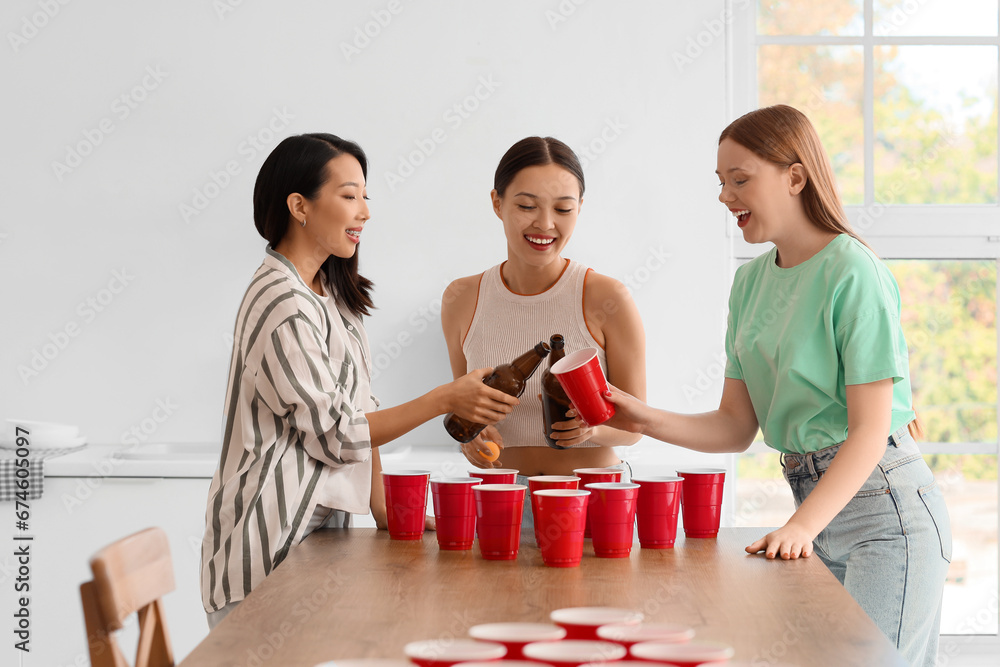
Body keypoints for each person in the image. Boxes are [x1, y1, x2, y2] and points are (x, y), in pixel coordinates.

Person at [602, 105, 951, 667]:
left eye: (740, 179)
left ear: (794, 176)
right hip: (814, 510)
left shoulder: (853, 272)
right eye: (720, 183)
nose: (725, 196)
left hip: (886, 516)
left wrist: (799, 527)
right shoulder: (749, 284)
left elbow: (867, 431)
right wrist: (638, 416)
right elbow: (736, 426)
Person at [201, 133, 518, 628]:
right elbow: (337, 436)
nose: (365, 211)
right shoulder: (281, 304)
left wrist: (383, 508)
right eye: (349, 196)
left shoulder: (331, 293)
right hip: (266, 557)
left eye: (365, 196)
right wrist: (443, 399)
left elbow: (361, 409)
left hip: (315, 547)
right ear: (299, 206)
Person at [441, 136, 646, 534]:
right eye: (526, 206)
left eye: (563, 209)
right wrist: (472, 439)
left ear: (580, 209)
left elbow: (636, 424)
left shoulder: (608, 297)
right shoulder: (461, 298)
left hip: (593, 498)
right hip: (497, 499)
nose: (545, 224)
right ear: (497, 203)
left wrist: (593, 429)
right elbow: (464, 407)